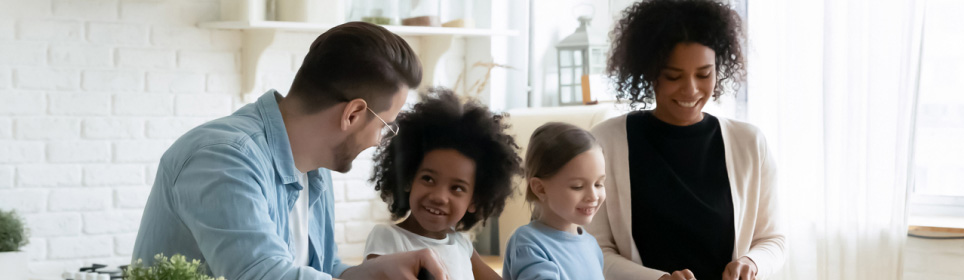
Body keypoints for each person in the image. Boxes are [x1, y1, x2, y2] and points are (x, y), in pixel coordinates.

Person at [131, 22, 448, 280]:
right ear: (352, 114)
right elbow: (263, 275)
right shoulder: (222, 157)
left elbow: (318, 271)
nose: (379, 141)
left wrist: (372, 271)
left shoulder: (316, 168)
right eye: (385, 126)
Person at [587, 0, 785, 280]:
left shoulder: (750, 144)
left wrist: (752, 263)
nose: (691, 89)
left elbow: (772, 239)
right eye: (673, 76)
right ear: (649, 72)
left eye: (704, 74)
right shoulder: (604, 143)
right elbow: (593, 248)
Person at [363, 89, 521, 280]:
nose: (439, 196)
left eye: (457, 188)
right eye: (428, 179)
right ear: (407, 179)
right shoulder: (387, 238)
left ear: (475, 200)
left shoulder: (462, 245)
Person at [503, 122, 607, 280]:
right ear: (540, 189)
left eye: (599, 184)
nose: (593, 196)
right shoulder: (528, 243)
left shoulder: (591, 245)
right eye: (578, 186)